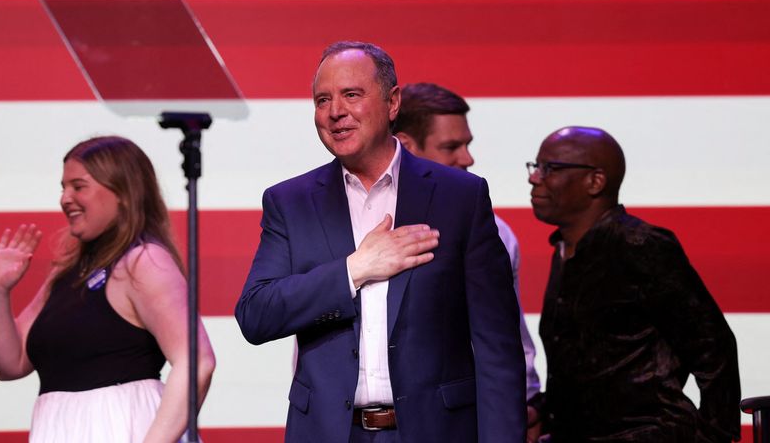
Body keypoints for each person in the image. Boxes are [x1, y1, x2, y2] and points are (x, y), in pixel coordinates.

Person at [236, 41, 525, 442]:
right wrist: (354, 270)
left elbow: (497, 350)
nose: (335, 111)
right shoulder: (290, 202)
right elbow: (256, 315)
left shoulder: (460, 197)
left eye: (351, 95)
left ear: (392, 103)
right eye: (323, 100)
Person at [0, 136, 216, 443]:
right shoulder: (66, 271)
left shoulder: (143, 261)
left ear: (122, 192)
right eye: (63, 188)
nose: (65, 198)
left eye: (79, 186)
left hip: (124, 427)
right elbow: (10, 364)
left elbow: (196, 361)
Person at [526, 126, 740, 442]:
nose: (534, 177)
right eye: (536, 166)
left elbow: (714, 349)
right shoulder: (564, 250)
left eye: (550, 168)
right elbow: (595, 372)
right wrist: (542, 411)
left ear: (595, 181)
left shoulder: (641, 246)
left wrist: (714, 437)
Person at [392, 81, 541, 437]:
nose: (468, 158)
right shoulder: (348, 220)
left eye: (467, 144)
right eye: (451, 147)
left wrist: (527, 405)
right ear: (407, 148)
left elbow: (506, 339)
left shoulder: (495, 232)